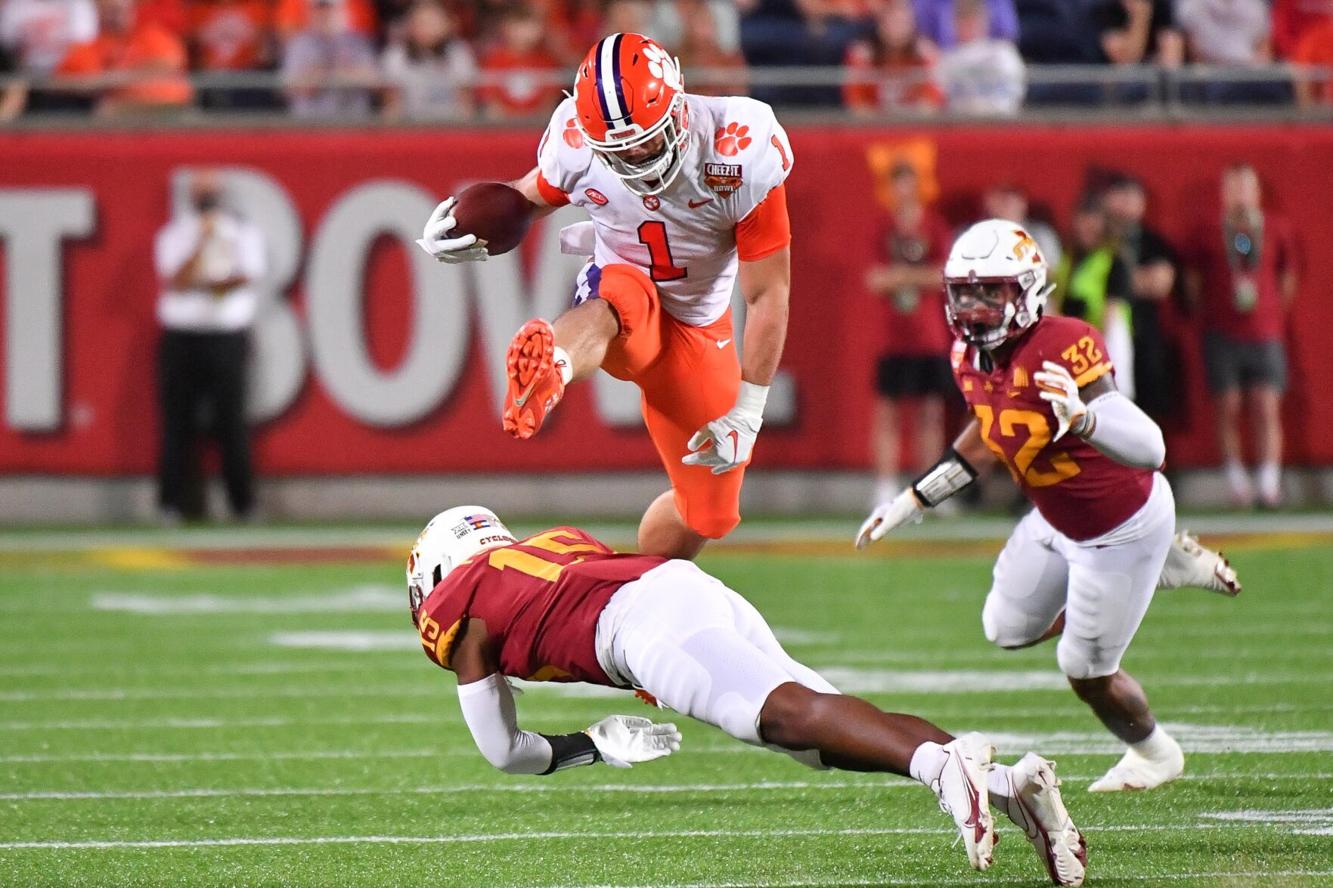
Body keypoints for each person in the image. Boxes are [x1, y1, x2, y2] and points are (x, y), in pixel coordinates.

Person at [407, 504, 1088, 887]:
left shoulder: (457, 605)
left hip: (640, 627)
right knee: (819, 738)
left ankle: (945, 765)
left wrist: (591, 746)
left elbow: (505, 751)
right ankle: (1008, 786)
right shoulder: (548, 542)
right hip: (682, 591)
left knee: (783, 718)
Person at [858, 219, 1241, 793]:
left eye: (992, 291)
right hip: (1055, 518)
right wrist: (916, 497)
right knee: (1004, 627)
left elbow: (1150, 448)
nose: (977, 307)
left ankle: (1153, 751)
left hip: (1120, 528)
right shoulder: (968, 353)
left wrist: (1085, 418)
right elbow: (991, 430)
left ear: (1029, 289)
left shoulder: (1063, 343)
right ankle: (1163, 567)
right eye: (965, 292)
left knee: (1084, 669)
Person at [419, 33, 793, 560]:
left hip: (699, 327)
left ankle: (643, 582)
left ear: (679, 102)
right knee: (617, 301)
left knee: (710, 513)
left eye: (647, 138)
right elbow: (525, 198)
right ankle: (553, 364)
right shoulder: (574, 140)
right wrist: (468, 225)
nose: (638, 157)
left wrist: (749, 409)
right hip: (623, 288)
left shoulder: (739, 143)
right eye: (619, 150)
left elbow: (768, 292)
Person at [153, 170, 267, 523]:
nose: (207, 198)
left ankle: (242, 505)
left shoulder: (242, 232)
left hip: (226, 334)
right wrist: (202, 246)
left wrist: (209, 281)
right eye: (201, 192)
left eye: (211, 191)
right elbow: (176, 280)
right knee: (177, 423)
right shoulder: (176, 233)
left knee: (232, 423)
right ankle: (172, 504)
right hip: (182, 335)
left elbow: (245, 276)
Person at [1188, 164, 1300, 508]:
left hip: (1265, 332)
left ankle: (1269, 483)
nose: (1238, 195)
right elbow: (1193, 281)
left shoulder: (1276, 228)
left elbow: (1287, 276)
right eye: (1232, 188)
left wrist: (1271, 313)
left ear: (1257, 192)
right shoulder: (1208, 231)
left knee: (1267, 405)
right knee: (1228, 405)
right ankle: (1237, 483)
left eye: (1244, 188)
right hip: (1222, 331)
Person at [864, 161, 955, 507]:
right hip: (892, 335)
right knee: (887, 412)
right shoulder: (882, 227)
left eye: (909, 184)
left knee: (930, 413)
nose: (904, 192)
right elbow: (874, 279)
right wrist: (914, 276)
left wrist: (901, 277)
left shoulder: (933, 225)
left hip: (928, 335)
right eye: (898, 185)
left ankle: (931, 488)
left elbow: (943, 275)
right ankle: (885, 487)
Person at [1103, 174, 1178, 420]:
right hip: (1098, 333)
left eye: (1132, 198)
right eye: (1120, 197)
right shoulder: (1094, 240)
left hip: (1144, 334)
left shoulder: (1153, 242)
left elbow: (1159, 284)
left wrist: (1114, 281)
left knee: (1146, 410)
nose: (1125, 205)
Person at [1051, 194, 1135, 399]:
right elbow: (1056, 297)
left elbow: (1112, 310)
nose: (1088, 229)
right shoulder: (1068, 258)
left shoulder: (1114, 260)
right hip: (1071, 343)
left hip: (1105, 343)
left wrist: (1094, 350)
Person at [55, 0, 194, 116]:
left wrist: (112, 81)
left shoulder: (150, 35)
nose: (114, 15)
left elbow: (167, 64)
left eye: (119, 9)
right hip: (117, 113)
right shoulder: (90, 46)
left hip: (170, 108)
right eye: (109, 10)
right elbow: (69, 82)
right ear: (98, 12)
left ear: (132, 10)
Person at [843, 0, 946, 115]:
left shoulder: (926, 53)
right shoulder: (862, 55)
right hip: (873, 127)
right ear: (880, 24)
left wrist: (912, 120)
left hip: (914, 125)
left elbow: (932, 101)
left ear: (912, 24)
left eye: (902, 22)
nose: (897, 28)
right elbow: (856, 102)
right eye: (891, 22)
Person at [280, 0, 379, 119]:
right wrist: (332, 70)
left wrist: (339, 73)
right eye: (319, 10)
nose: (324, 15)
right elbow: (292, 89)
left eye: (329, 9)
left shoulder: (357, 42)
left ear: (340, 11)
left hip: (353, 123)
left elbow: (375, 82)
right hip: (310, 125)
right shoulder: (299, 45)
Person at [0, 0, 97, 120]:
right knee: (15, 88)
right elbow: (7, 51)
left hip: (66, 81)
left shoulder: (76, 4)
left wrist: (53, 79)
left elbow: (81, 50)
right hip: (25, 78)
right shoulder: (15, 6)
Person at [380, 0, 476, 120]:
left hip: (450, 125)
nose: (425, 28)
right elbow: (392, 105)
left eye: (431, 22)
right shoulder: (396, 54)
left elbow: (465, 104)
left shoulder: (459, 53)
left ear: (446, 24)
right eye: (420, 22)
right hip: (408, 126)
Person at [935, 0, 1025, 114]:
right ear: (953, 22)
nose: (969, 24)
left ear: (985, 19)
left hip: (1001, 122)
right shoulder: (946, 60)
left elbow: (1014, 91)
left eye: (973, 18)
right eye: (962, 18)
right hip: (960, 124)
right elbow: (940, 97)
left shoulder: (1003, 54)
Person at [476, 5, 561, 119]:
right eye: (522, 26)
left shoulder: (547, 61)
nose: (528, 32)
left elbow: (550, 101)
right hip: (502, 129)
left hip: (537, 128)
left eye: (533, 26)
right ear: (507, 27)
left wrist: (533, 120)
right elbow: (490, 101)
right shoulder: (494, 60)